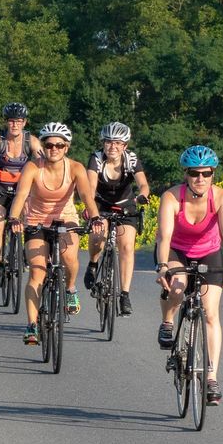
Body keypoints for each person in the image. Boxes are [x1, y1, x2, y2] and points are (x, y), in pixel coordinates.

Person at [154, 145, 223, 405]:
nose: (201, 179)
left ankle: (211, 377)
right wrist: (163, 265)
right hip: (176, 251)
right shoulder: (172, 197)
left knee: (211, 312)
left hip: (208, 252)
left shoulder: (220, 197)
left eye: (206, 173)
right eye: (195, 173)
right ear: (186, 173)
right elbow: (164, 237)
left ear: (212, 174)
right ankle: (168, 321)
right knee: (178, 287)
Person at [6, 122, 104, 346]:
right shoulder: (32, 167)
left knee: (70, 258)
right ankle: (32, 326)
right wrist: (14, 218)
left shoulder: (76, 168)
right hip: (35, 221)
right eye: (49, 145)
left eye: (59, 145)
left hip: (66, 218)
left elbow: (87, 196)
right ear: (43, 146)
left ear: (66, 147)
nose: (54, 149)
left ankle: (70, 288)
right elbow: (21, 195)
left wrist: (96, 216)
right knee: (37, 274)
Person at [83, 122, 150, 315]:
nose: (112, 147)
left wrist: (142, 196)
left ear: (125, 146)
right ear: (103, 143)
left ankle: (125, 294)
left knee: (127, 247)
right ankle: (93, 263)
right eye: (109, 142)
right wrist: (92, 211)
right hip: (101, 204)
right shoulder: (96, 159)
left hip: (126, 205)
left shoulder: (131, 160)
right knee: (97, 237)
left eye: (118, 143)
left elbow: (143, 184)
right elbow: (90, 186)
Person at [0, 102, 43, 290]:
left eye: (19, 121)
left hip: (22, 188)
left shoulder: (32, 141)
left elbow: (43, 163)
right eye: (11, 121)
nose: (15, 125)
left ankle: (24, 251)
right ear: (7, 122)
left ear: (24, 122)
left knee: (30, 219)